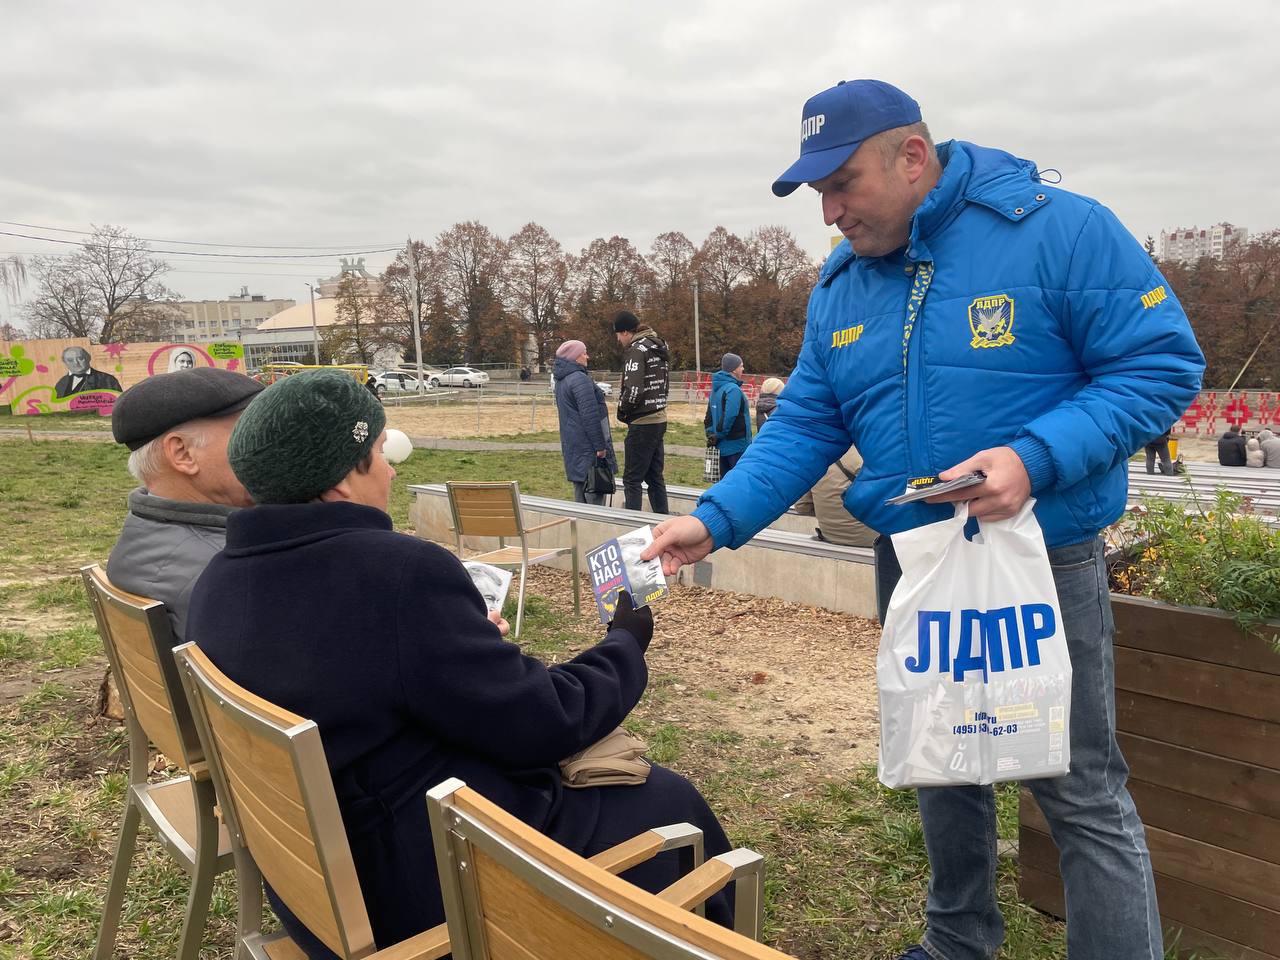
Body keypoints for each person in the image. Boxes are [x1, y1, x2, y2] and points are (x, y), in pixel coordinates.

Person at [643, 79, 1205, 960]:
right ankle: (957, 943)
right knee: (942, 759)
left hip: (1041, 557)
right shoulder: (843, 285)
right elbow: (806, 421)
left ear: (913, 158)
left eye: (843, 184)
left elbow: (1161, 368)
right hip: (914, 555)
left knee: (1079, 790)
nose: (829, 212)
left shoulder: (1061, 231)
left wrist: (1033, 458)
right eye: (817, 192)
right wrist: (715, 519)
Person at [185, 370, 733, 954]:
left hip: (314, 885)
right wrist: (624, 642)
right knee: (670, 804)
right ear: (345, 477)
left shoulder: (218, 580)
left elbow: (357, 673)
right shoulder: (396, 573)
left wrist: (459, 645)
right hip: (421, 890)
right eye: (378, 453)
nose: (392, 470)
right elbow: (544, 724)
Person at [105, 368, 263, 639]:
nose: (271, 445)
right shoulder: (228, 574)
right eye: (251, 431)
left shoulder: (145, 530)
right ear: (183, 453)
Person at [614, 310, 670, 513]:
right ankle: (662, 521)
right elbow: (664, 384)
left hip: (642, 421)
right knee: (655, 477)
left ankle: (632, 527)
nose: (619, 339)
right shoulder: (658, 346)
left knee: (632, 479)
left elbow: (634, 389)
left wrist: (622, 411)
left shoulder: (636, 350)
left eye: (618, 335)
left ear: (627, 332)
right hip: (659, 417)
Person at [552, 339, 617, 505]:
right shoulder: (580, 379)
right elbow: (590, 416)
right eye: (584, 353)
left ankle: (580, 529)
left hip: (573, 445)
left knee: (580, 493)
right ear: (575, 357)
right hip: (589, 448)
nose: (587, 356)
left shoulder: (562, 380)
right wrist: (600, 447)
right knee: (594, 496)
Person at [793, 445, 876, 546]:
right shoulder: (871, 456)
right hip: (871, 539)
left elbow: (802, 507)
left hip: (830, 536)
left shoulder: (816, 459)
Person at [704, 353, 752, 475]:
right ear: (734, 369)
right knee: (739, 482)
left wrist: (711, 435)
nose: (743, 369)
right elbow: (730, 416)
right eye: (741, 366)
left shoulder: (716, 389)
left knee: (725, 483)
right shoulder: (733, 389)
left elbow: (708, 417)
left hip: (720, 446)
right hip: (737, 446)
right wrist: (719, 435)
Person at [53, 345, 123, 398]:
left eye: (80, 358)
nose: (76, 363)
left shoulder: (107, 379)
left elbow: (118, 402)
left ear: (88, 358)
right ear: (65, 362)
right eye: (70, 360)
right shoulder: (61, 383)